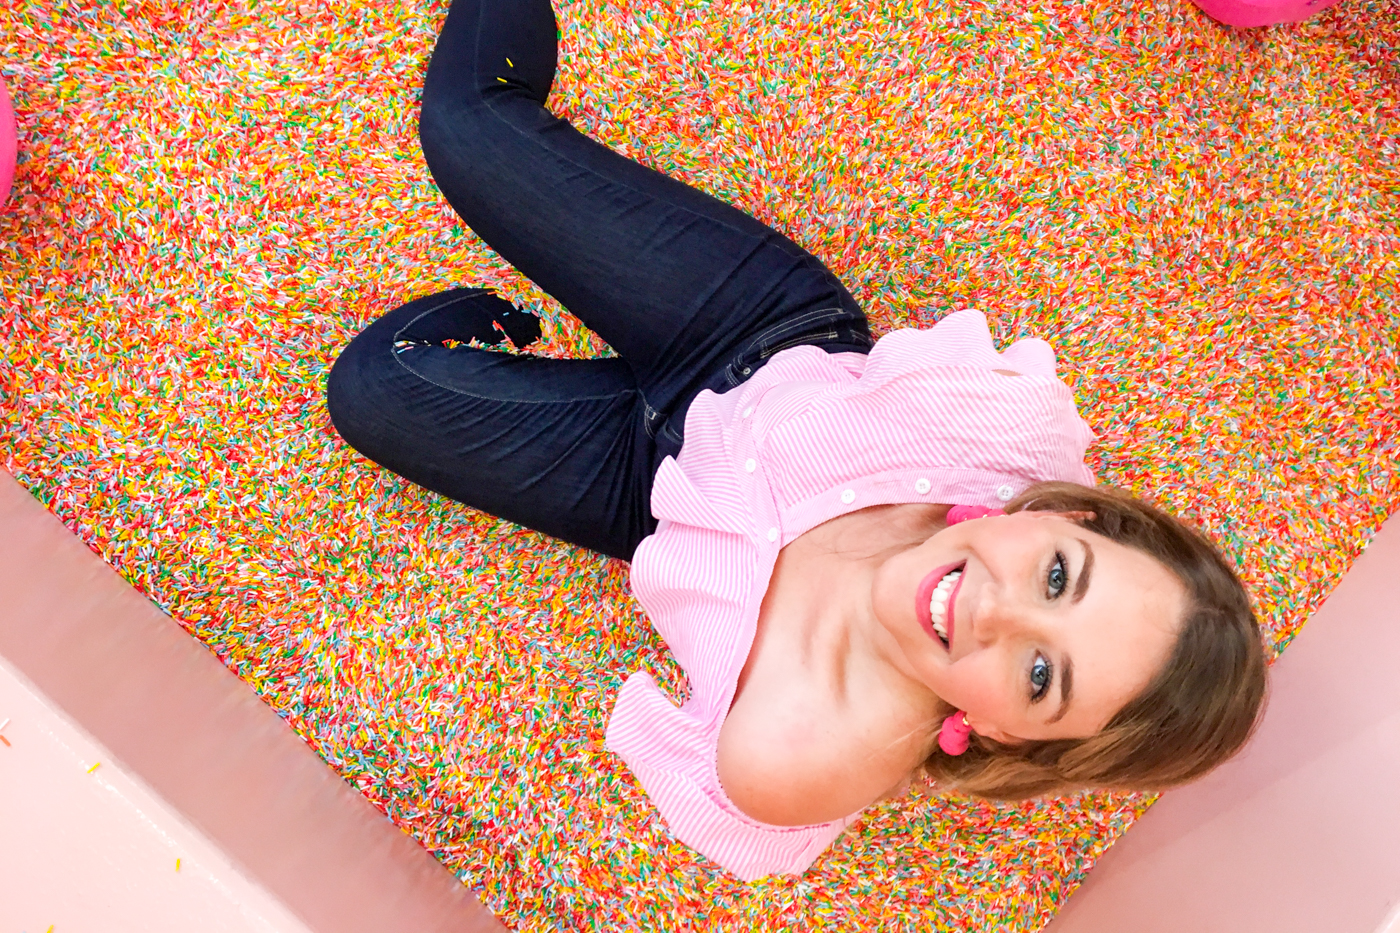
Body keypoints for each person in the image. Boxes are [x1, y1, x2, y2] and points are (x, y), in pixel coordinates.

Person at [327, 0, 1268, 881]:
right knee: (465, 125)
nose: (996, 609)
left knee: (370, 391)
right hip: (753, 335)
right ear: (1065, 512)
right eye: (1059, 574)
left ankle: (490, 326)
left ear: (1007, 734)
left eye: (1038, 672)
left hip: (645, 483)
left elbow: (744, 794)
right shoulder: (1005, 441)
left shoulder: (805, 754)